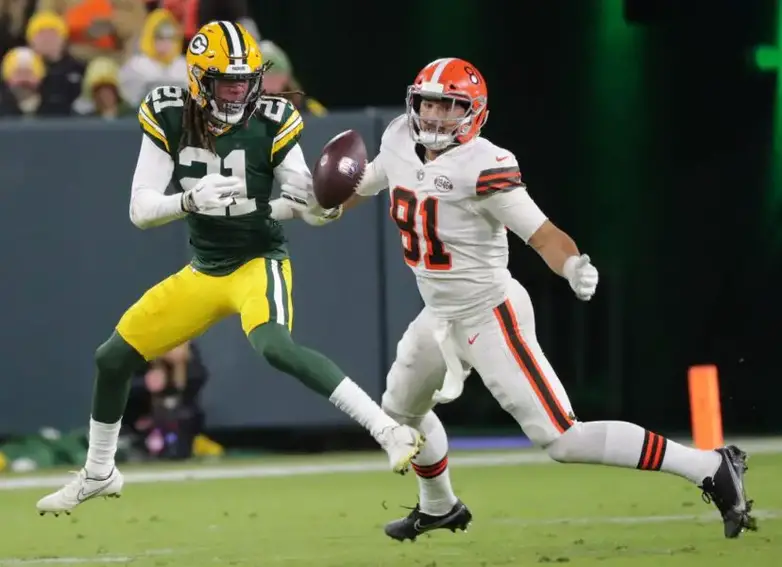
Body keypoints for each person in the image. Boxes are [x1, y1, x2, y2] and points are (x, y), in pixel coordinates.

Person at [344, 57, 756, 541]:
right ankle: (440, 506)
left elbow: (542, 234)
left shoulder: (484, 165)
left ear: (473, 113)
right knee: (400, 413)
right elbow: (367, 180)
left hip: (489, 311)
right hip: (438, 314)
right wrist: (320, 201)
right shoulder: (397, 137)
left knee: (562, 438)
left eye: (449, 106)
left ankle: (710, 465)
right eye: (429, 103)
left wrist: (572, 264)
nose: (435, 116)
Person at [35, 20, 422, 516]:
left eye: (246, 80)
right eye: (227, 82)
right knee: (112, 358)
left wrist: (320, 207)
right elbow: (140, 209)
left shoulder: (274, 118)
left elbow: (305, 202)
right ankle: (99, 472)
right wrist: (189, 199)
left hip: (258, 260)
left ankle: (388, 429)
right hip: (205, 269)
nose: (239, 92)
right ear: (199, 79)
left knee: (275, 345)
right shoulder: (169, 112)